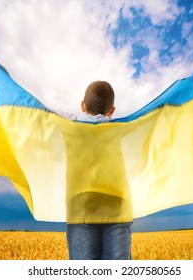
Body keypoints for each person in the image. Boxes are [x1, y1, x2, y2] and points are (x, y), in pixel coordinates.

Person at [54, 81, 133, 260]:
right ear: (111, 111)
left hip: (81, 209)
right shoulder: (121, 127)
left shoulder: (69, 122)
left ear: (83, 105)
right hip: (117, 207)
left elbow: (37, 110)